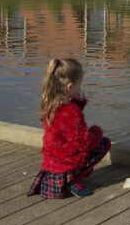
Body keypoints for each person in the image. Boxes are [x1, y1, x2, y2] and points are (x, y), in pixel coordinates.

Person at [27, 58, 111, 198]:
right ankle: (73, 180)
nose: (80, 87)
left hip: (52, 162)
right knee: (104, 143)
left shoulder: (49, 106)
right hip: (67, 163)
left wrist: (78, 103)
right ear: (69, 87)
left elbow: (65, 127)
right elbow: (83, 143)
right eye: (79, 83)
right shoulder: (71, 113)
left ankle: (70, 177)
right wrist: (96, 132)